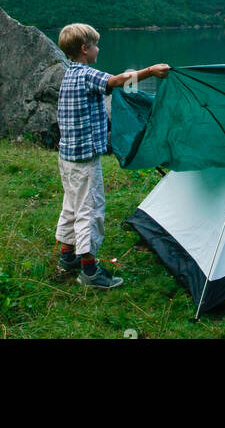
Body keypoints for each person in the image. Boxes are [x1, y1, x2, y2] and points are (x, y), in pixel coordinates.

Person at [55, 22, 170, 289]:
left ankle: (67, 256)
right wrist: (150, 71)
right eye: (95, 45)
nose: (98, 49)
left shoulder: (69, 73)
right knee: (90, 209)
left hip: (68, 158)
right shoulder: (86, 73)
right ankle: (90, 272)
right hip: (84, 160)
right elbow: (117, 81)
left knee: (71, 205)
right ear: (85, 49)